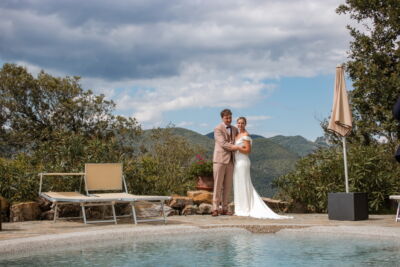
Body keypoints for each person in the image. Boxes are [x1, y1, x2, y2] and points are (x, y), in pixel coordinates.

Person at [233, 117, 292, 219]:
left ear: (245, 124)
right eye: (238, 123)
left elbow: (247, 150)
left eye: (242, 123)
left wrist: (237, 147)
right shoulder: (237, 135)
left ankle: (245, 208)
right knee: (238, 184)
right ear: (236, 124)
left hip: (243, 162)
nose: (240, 125)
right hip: (236, 162)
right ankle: (239, 208)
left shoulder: (246, 135)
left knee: (244, 183)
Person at [212, 109, 240, 216]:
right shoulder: (217, 128)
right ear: (222, 118)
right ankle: (215, 208)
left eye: (230, 117)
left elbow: (239, 138)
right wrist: (235, 147)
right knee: (218, 185)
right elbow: (222, 143)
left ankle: (224, 207)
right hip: (220, 159)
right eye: (226, 117)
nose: (229, 119)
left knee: (228, 185)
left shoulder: (235, 129)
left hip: (231, 161)